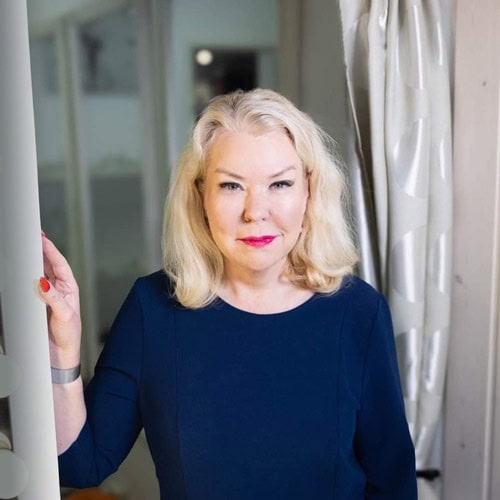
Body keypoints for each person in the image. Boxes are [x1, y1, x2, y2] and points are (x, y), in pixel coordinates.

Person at [39, 89, 417, 499]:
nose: (256, 211)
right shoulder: (153, 309)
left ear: (309, 190)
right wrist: (63, 350)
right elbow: (80, 464)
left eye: (280, 183)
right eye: (232, 185)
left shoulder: (359, 312)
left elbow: (393, 486)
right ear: (201, 195)